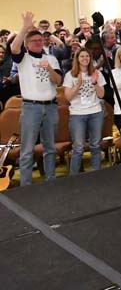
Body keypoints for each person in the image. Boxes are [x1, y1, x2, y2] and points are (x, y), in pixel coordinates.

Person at [10, 12, 62, 185]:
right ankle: (26, 186)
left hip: (50, 107)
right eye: (34, 41)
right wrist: (25, 27)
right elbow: (14, 49)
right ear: (28, 44)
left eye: (41, 40)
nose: (39, 43)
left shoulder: (51, 59)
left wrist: (48, 69)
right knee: (27, 149)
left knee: (50, 147)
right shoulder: (23, 59)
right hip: (31, 107)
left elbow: (58, 81)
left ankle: (50, 180)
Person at [63, 47, 106, 175]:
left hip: (95, 112)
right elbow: (68, 97)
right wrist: (78, 84)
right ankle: (74, 177)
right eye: (82, 56)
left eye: (87, 56)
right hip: (77, 114)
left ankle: (96, 173)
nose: (85, 59)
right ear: (77, 59)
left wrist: (94, 83)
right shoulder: (70, 75)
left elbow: (101, 94)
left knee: (95, 145)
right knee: (78, 147)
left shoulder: (97, 73)